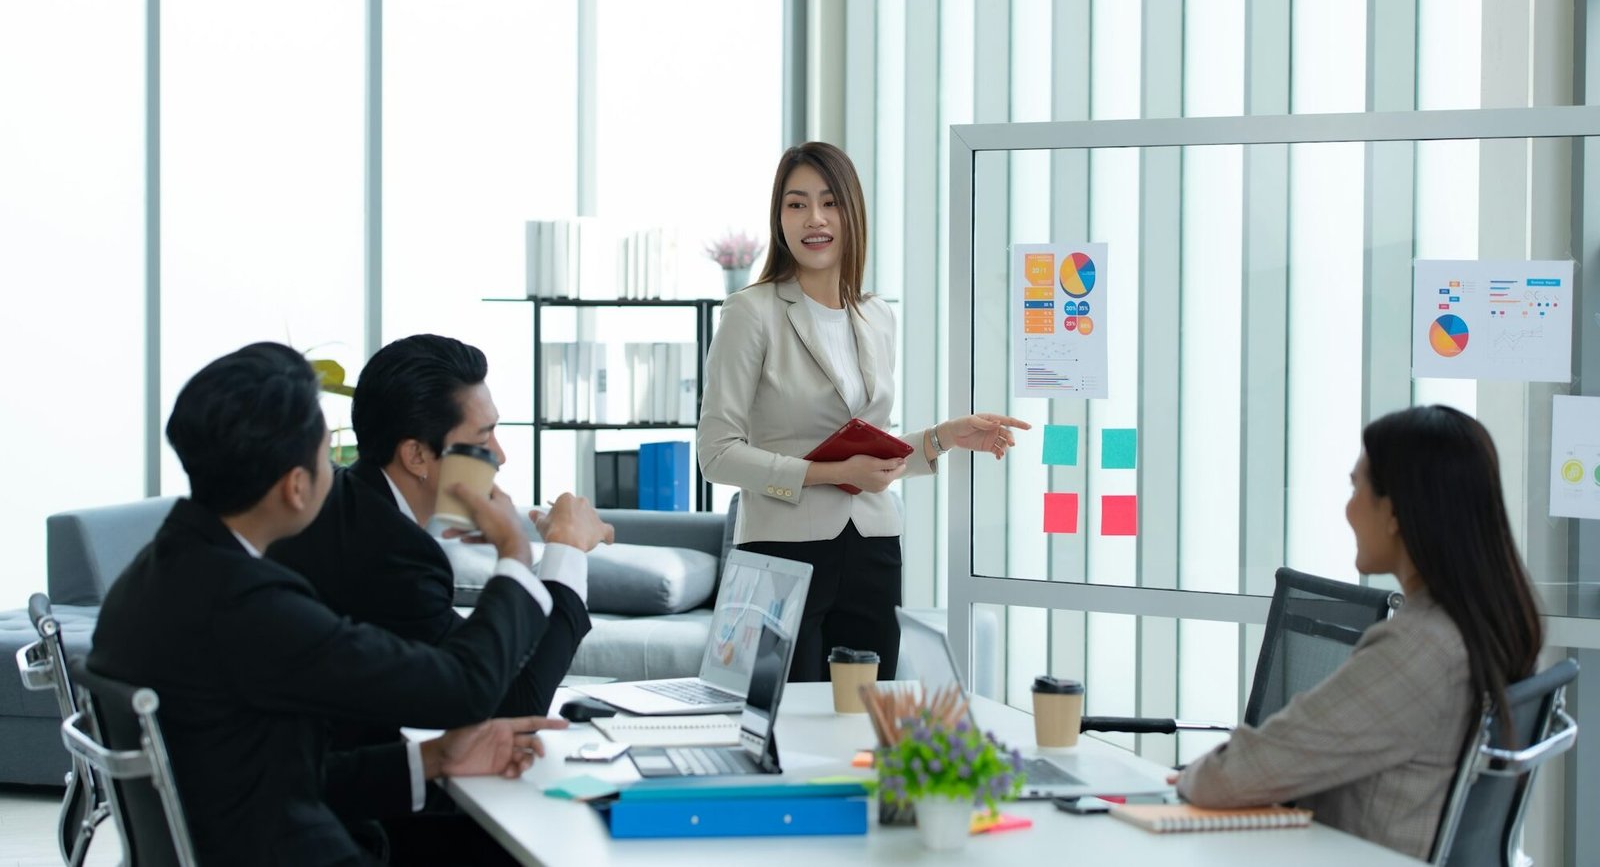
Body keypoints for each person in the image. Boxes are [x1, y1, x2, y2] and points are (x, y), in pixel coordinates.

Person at [89, 342, 612, 866]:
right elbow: (468, 689)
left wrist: (430, 759)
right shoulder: (250, 604)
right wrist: (516, 554)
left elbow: (264, 771)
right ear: (297, 486)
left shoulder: (155, 573)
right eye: (324, 454)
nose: (338, 471)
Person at [698, 141, 1030, 682]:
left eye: (830, 202)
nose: (815, 219)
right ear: (779, 217)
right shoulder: (750, 313)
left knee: (861, 724)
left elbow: (867, 447)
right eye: (796, 203)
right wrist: (831, 474)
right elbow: (716, 455)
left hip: (874, 547)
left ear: (852, 214)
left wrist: (944, 437)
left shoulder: (876, 316)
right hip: (783, 550)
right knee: (786, 726)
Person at [1175, 405, 1543, 859]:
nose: (1348, 508)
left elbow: (1227, 779)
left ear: (1393, 511)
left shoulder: (1418, 650)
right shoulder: (1487, 624)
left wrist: (1196, 773)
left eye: (1356, 486)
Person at [269, 333, 597, 738]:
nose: (500, 455)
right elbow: (513, 704)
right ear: (416, 455)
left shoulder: (352, 504)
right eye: (482, 438)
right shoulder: (392, 553)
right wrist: (566, 548)